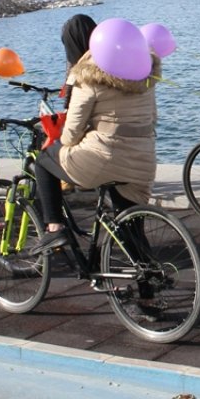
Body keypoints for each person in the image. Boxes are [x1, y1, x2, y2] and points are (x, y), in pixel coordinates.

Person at [31, 42, 160, 251]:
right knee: (131, 228)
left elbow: (71, 134)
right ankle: (148, 277)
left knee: (44, 161)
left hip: (104, 158)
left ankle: (55, 229)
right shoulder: (144, 78)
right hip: (142, 159)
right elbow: (153, 118)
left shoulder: (88, 76)